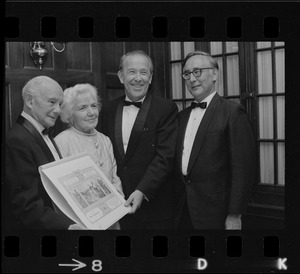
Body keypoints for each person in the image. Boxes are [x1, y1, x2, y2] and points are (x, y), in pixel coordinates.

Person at [175, 51, 256, 230]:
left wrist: (235, 214)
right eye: (187, 74)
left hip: (218, 213)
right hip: (183, 211)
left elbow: (243, 168)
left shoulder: (232, 112)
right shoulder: (181, 117)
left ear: (215, 74)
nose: (192, 79)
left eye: (197, 71)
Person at [100, 50, 178, 229]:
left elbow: (165, 156)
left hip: (154, 207)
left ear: (150, 78)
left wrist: (142, 190)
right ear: (121, 76)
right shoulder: (108, 109)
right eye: (132, 72)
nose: (138, 78)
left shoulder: (166, 108)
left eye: (144, 73)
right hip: (116, 206)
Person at [4, 76, 80, 230]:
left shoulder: (42, 133)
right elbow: (26, 206)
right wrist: (68, 228)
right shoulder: (17, 141)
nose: (58, 110)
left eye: (60, 104)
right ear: (30, 101)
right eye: (52, 102)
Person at [54, 84, 124, 229]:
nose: (91, 112)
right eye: (82, 108)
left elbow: (114, 178)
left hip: (111, 219)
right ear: (69, 114)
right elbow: (60, 191)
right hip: (80, 223)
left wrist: (118, 206)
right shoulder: (61, 142)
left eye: (93, 106)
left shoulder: (105, 140)